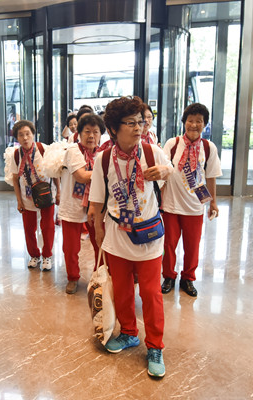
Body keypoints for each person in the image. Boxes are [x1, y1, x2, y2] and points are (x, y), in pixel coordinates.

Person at [88, 96, 172, 378]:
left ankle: (155, 346)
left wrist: (165, 170)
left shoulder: (151, 152)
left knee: (151, 293)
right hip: (117, 235)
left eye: (140, 122)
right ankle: (128, 332)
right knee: (122, 290)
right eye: (131, 123)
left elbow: (170, 170)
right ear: (113, 128)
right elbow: (97, 201)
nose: (138, 128)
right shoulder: (103, 159)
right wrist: (99, 234)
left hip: (149, 236)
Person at [160, 103, 222, 297]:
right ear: (184, 122)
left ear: (204, 124)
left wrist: (213, 202)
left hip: (195, 206)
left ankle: (188, 278)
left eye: (199, 121)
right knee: (169, 244)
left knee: (192, 246)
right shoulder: (172, 144)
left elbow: (211, 176)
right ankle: (169, 276)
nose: (194, 125)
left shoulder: (208, 148)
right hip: (171, 204)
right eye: (190, 120)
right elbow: (162, 171)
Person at [58, 113, 104, 294]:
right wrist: (102, 173)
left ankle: (98, 277)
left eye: (95, 132)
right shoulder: (73, 151)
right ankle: (73, 277)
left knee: (100, 243)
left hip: (96, 206)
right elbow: (81, 176)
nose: (91, 136)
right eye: (87, 131)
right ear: (79, 133)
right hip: (73, 206)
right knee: (71, 248)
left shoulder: (102, 154)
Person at [10, 120, 60, 271]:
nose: (25, 138)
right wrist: (19, 201)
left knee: (48, 226)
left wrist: (59, 192)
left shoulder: (43, 149)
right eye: (21, 135)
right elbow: (15, 179)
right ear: (17, 138)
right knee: (29, 228)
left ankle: (47, 256)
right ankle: (34, 255)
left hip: (46, 193)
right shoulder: (16, 154)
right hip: (27, 196)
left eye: (28, 134)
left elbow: (54, 172)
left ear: (33, 134)